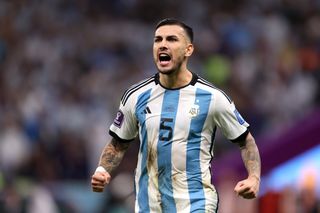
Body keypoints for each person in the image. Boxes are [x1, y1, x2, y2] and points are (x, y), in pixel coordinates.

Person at [91, 18, 261, 212]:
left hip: (196, 204)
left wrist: (253, 178)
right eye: (158, 40)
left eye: (171, 39)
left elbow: (246, 141)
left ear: (188, 49)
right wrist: (102, 170)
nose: (163, 44)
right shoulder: (136, 96)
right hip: (150, 206)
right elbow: (118, 143)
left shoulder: (212, 97)